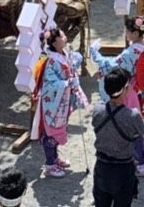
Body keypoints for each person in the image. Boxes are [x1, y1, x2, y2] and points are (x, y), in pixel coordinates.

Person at [31, 25, 86, 178]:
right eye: (61, 36)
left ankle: (54, 159)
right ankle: (49, 164)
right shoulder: (51, 61)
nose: (64, 37)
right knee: (51, 132)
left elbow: (69, 68)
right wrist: (67, 83)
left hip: (62, 100)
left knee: (58, 128)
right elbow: (50, 83)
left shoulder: (62, 54)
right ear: (54, 43)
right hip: (53, 103)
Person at [93, 67, 144, 207]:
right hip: (123, 169)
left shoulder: (97, 110)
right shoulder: (133, 115)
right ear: (126, 88)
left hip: (101, 167)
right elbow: (140, 132)